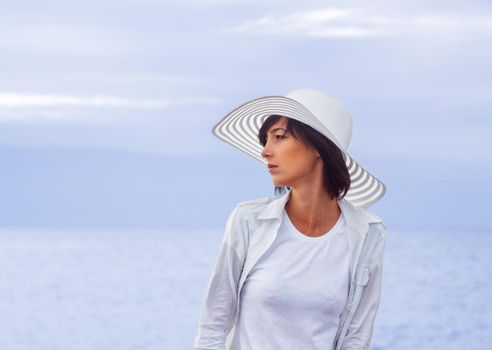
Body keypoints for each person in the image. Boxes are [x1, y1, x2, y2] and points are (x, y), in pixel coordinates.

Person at [194, 88, 387, 350]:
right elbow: (213, 323)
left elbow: (356, 338)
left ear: (319, 146)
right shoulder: (249, 221)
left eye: (279, 137)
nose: (265, 151)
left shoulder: (367, 234)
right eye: (266, 140)